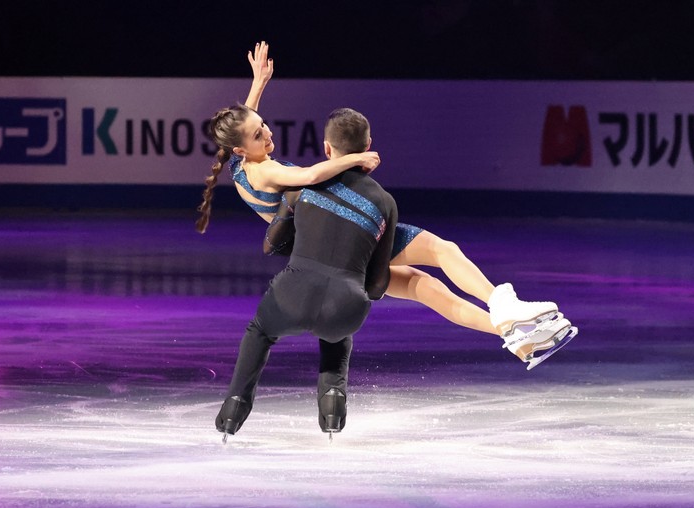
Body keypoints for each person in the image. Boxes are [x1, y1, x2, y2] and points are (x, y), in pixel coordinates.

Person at [198, 42, 575, 370]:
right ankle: (503, 304)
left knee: (425, 288)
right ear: (241, 148)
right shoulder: (267, 171)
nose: (267, 132)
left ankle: (516, 337)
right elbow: (310, 175)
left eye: (264, 125)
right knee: (442, 250)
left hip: (325, 254)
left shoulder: (240, 165)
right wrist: (354, 159)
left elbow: (245, 121)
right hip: (346, 234)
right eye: (258, 134)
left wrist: (258, 84)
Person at [215, 108, 397, 440]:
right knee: (337, 331)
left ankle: (235, 406)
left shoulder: (294, 185)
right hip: (345, 306)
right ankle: (332, 404)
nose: (267, 132)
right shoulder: (386, 202)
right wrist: (358, 291)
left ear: (327, 148)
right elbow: (377, 283)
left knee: (260, 331)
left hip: (292, 295)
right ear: (368, 144)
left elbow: (271, 244)